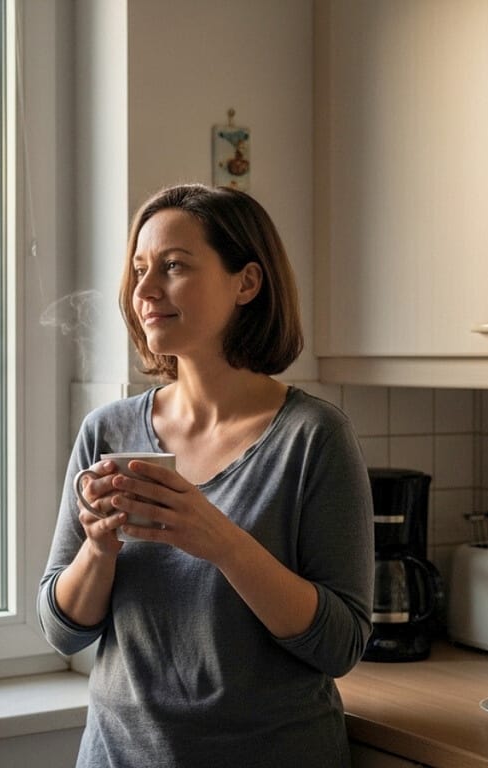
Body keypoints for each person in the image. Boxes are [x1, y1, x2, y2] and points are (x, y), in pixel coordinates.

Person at [37, 184, 374, 768]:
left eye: (173, 266)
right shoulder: (108, 432)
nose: (144, 291)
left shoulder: (313, 438)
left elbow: (340, 644)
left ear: (246, 282)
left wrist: (218, 540)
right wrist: (98, 547)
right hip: (120, 756)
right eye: (140, 270)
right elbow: (62, 630)